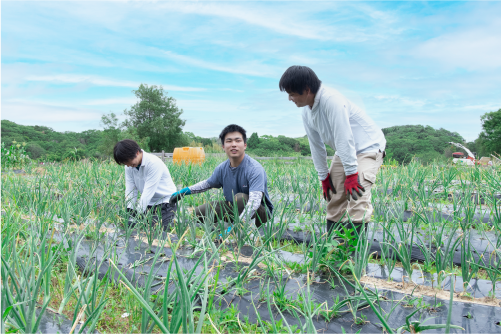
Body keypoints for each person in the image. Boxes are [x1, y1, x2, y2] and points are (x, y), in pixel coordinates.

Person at [279, 65, 386, 235]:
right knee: (334, 197)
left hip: (368, 148)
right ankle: (334, 251)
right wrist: (324, 176)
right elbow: (316, 145)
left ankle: (353, 257)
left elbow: (344, 136)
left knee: (357, 197)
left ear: (306, 90)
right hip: (343, 150)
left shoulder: (332, 100)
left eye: (292, 94)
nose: (290, 99)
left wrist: (351, 174)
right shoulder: (307, 111)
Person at [170, 124, 273, 230]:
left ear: (245, 145)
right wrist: (185, 191)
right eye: (229, 141)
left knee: (241, 198)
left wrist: (236, 226)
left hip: (259, 213)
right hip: (234, 208)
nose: (233, 145)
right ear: (223, 146)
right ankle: (234, 223)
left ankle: (241, 227)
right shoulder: (222, 168)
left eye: (238, 141)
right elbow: (207, 184)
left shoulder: (254, 168)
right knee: (198, 213)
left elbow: (254, 202)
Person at [113, 139, 177, 229]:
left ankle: (175, 221)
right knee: (140, 228)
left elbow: (148, 192)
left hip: (166, 201)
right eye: (124, 163)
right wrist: (129, 210)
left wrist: (136, 215)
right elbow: (131, 189)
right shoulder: (129, 166)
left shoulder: (153, 163)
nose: (127, 165)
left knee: (157, 230)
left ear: (137, 152)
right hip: (149, 203)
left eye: (128, 161)